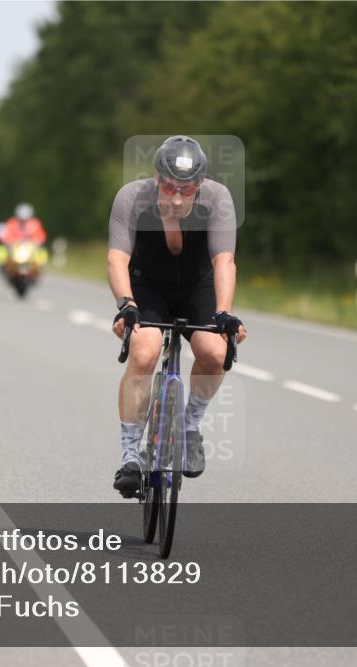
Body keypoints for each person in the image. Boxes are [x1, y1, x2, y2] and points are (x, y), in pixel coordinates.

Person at [107, 135, 247, 497]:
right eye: (169, 188)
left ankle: (189, 426)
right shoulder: (132, 198)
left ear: (200, 184)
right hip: (147, 288)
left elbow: (223, 261)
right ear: (156, 178)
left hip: (197, 288)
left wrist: (224, 313)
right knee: (144, 352)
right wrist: (126, 304)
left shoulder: (217, 199)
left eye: (188, 188)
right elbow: (117, 258)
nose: (179, 197)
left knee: (216, 352)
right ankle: (129, 456)